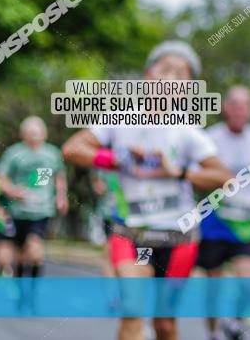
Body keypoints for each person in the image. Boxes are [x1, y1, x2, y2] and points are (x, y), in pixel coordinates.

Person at [63, 40, 232, 340]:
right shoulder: (120, 120)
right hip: (132, 236)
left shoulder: (189, 132)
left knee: (164, 324)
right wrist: (117, 159)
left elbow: (224, 177)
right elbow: (72, 149)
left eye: (182, 76)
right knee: (132, 309)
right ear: (147, 76)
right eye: (165, 69)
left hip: (178, 240)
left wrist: (178, 172)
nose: (171, 79)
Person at [197, 86, 250, 340]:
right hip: (217, 221)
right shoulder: (209, 138)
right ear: (226, 108)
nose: (239, 110)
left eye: (244, 105)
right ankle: (213, 333)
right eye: (234, 104)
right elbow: (197, 176)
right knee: (213, 288)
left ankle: (235, 321)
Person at [0, 116, 67, 292]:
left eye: (37, 133)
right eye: (30, 133)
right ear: (23, 135)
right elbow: (2, 178)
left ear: (44, 134)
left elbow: (59, 177)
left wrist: (61, 197)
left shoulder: (52, 154)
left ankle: (33, 292)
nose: (34, 137)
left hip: (41, 211)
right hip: (16, 211)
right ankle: (20, 289)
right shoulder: (14, 153)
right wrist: (13, 191)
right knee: (19, 255)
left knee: (35, 251)